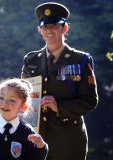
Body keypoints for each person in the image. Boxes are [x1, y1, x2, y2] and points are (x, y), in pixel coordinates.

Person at [21, 2, 98, 160]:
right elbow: (22, 98)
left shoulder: (81, 60)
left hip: (68, 141)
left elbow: (90, 100)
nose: (50, 30)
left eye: (55, 25)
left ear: (65, 28)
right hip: (35, 140)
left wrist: (59, 107)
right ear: (39, 30)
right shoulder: (31, 60)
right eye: (45, 26)